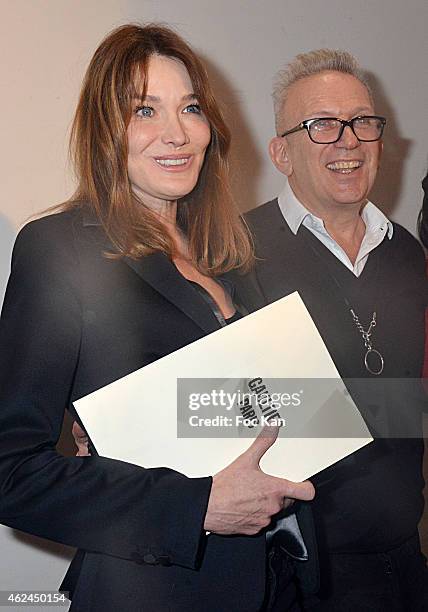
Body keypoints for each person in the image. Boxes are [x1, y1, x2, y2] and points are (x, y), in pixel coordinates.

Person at [0, 24, 315, 612]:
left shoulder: (233, 253)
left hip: (283, 583)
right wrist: (196, 507)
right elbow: (10, 471)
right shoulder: (59, 250)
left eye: (190, 108)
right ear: (105, 131)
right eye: (145, 109)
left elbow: (264, 410)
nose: (177, 134)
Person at [233, 49, 428, 610]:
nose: (348, 140)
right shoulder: (235, 253)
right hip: (297, 573)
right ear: (282, 152)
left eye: (363, 122)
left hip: (405, 558)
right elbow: (217, 407)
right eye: (322, 125)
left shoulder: (409, 255)